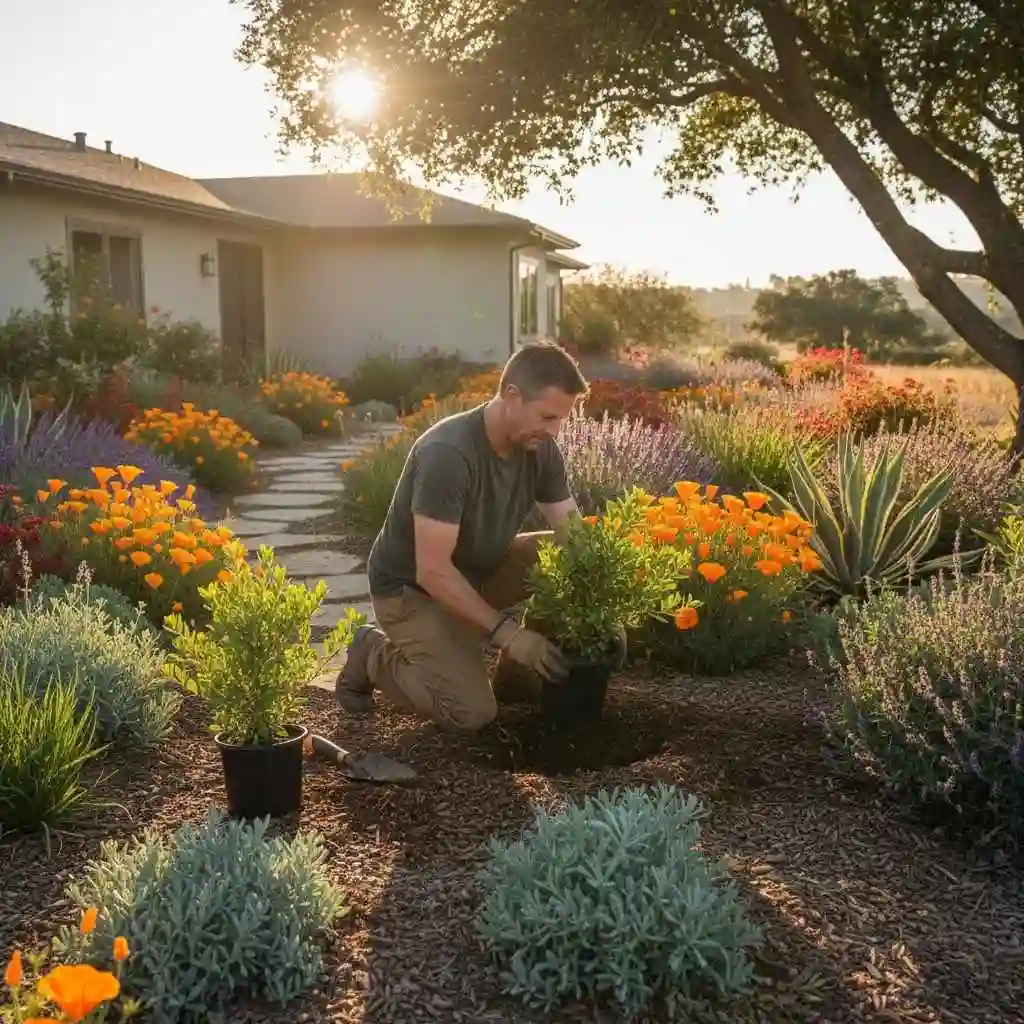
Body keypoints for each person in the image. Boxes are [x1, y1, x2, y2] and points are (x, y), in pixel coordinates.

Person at [334, 340, 595, 731]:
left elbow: (575, 535)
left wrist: (608, 607)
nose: (556, 431)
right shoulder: (449, 454)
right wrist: (509, 634)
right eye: (548, 416)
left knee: (564, 551)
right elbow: (433, 572)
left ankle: (515, 675)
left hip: (475, 572)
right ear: (511, 395)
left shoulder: (539, 448)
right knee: (471, 713)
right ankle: (372, 655)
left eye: (561, 419)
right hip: (411, 593)